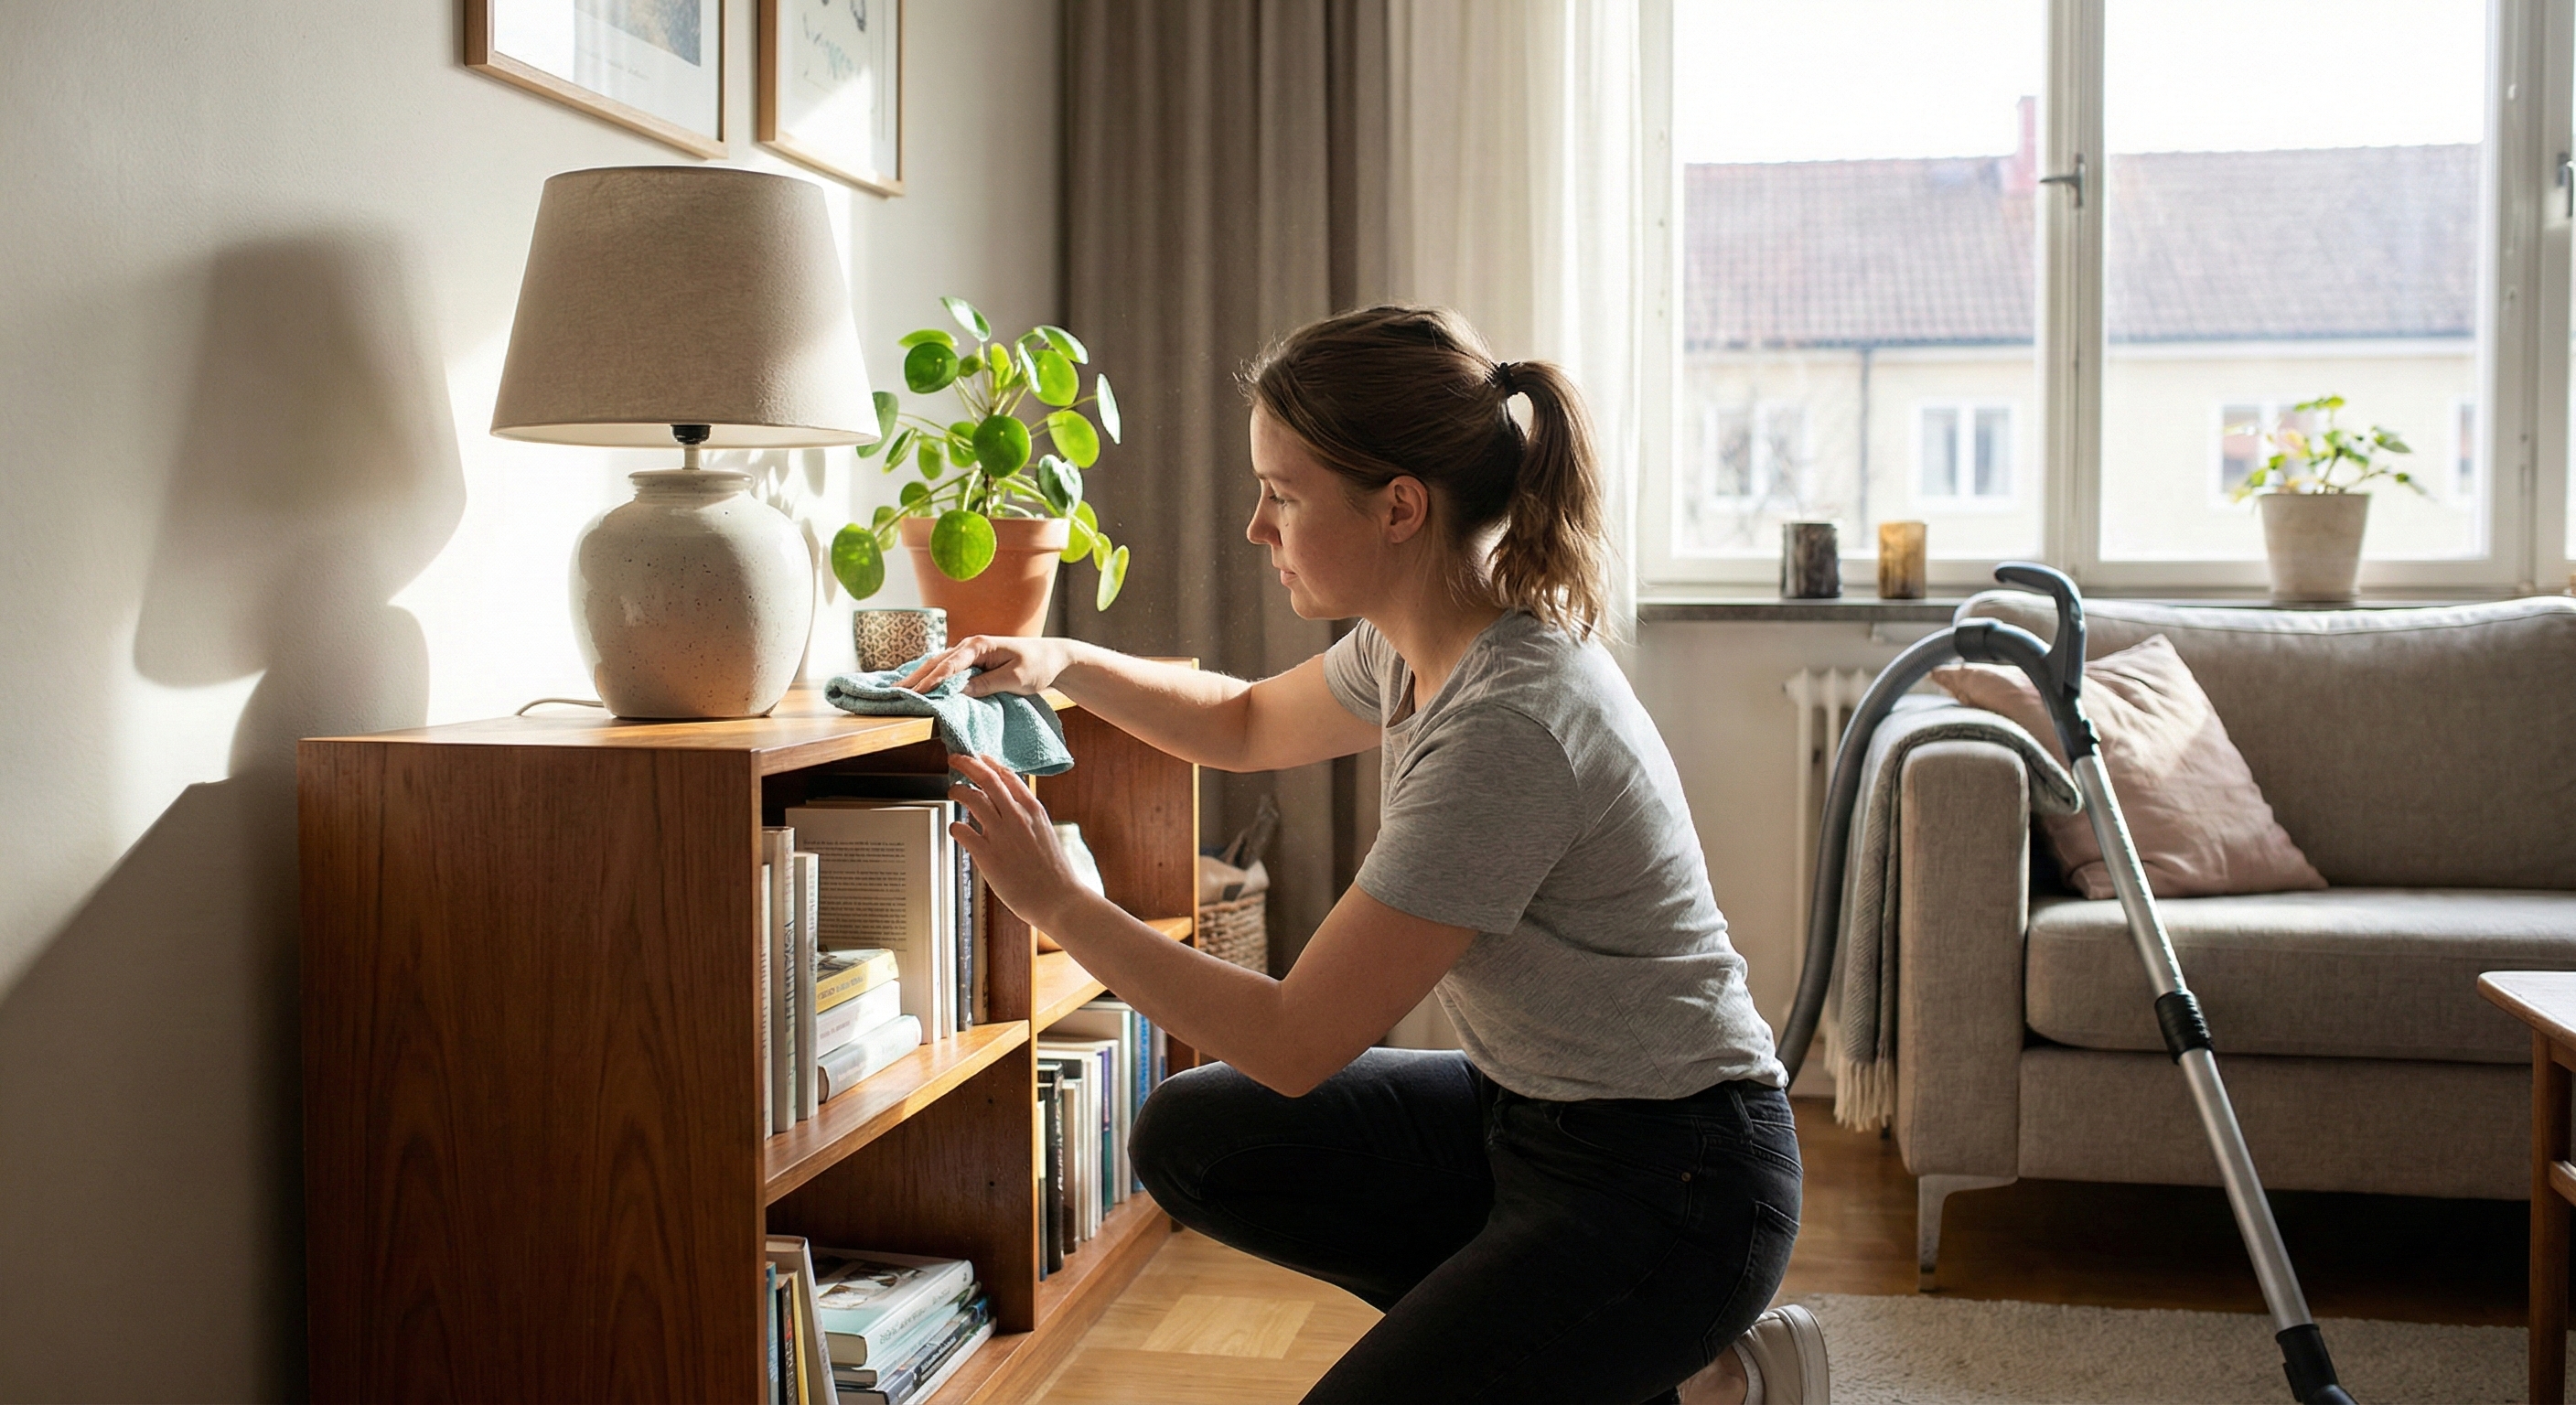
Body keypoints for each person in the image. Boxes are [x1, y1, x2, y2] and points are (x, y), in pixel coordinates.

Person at [904, 306, 1826, 1405]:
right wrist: (1060, 658)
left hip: (1675, 1182)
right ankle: (1613, 1364)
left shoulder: (1507, 726)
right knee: (1196, 1134)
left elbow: (1294, 1042)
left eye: (1282, 495)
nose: (1255, 526)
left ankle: (1658, 1352)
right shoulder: (1419, 644)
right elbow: (1241, 720)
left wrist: (1056, 901)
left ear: (1398, 507)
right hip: (1523, 1118)